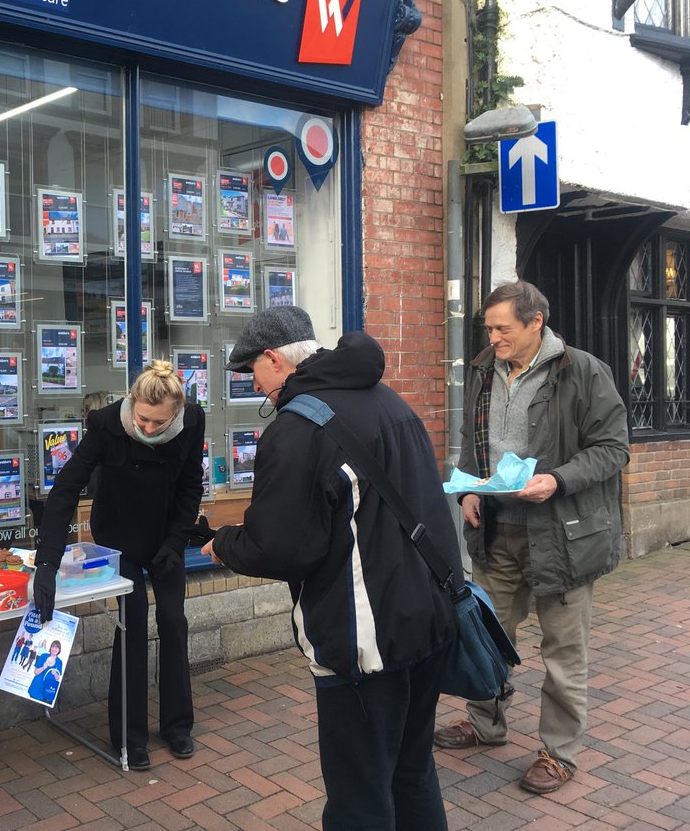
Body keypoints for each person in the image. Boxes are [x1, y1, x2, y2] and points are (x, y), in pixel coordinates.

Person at [200, 306, 460, 830]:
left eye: (253, 372)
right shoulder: (388, 400)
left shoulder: (297, 427)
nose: (255, 386)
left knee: (359, 796)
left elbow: (281, 546)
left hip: (366, 640)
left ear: (275, 359)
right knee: (412, 772)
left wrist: (223, 544)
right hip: (430, 616)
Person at [433, 280, 629, 795]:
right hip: (496, 533)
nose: (493, 337)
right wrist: (471, 489)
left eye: (503, 328)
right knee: (486, 637)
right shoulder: (484, 369)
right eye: (489, 327)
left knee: (563, 651)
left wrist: (558, 480)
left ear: (535, 322)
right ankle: (485, 725)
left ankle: (559, 753)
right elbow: (475, 441)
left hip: (563, 537)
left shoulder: (583, 372)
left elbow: (613, 448)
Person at [33, 360, 205, 770]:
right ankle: (129, 736)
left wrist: (177, 540)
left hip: (166, 535)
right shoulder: (107, 423)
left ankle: (178, 726)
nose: (148, 429)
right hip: (119, 536)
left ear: (177, 413)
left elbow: (190, 485)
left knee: (173, 621)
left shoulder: (193, 420)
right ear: (132, 402)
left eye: (159, 423)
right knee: (132, 625)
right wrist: (47, 562)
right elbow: (66, 489)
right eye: (143, 419)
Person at [27, 640, 64, 705]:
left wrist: (55, 673)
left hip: (48, 689)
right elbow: (35, 672)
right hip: (37, 687)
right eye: (53, 647)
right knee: (33, 706)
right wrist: (43, 668)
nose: (54, 649)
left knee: (46, 704)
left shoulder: (59, 662)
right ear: (50, 647)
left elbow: (58, 678)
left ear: (59, 650)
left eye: (56, 648)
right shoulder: (44, 656)